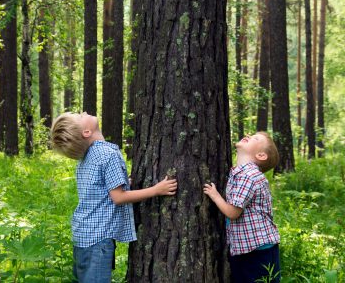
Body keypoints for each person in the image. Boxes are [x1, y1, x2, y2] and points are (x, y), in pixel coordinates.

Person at [50, 112, 177, 282]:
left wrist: (124, 182)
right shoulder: (107, 153)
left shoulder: (86, 158)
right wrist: (156, 190)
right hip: (98, 239)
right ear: (86, 132)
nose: (84, 113)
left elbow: (100, 189)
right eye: (79, 116)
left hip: (83, 235)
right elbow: (118, 197)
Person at [203, 132, 281, 283]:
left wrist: (215, 196)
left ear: (261, 155)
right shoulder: (239, 173)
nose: (248, 135)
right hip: (247, 249)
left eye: (255, 138)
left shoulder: (248, 176)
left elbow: (233, 212)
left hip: (257, 251)